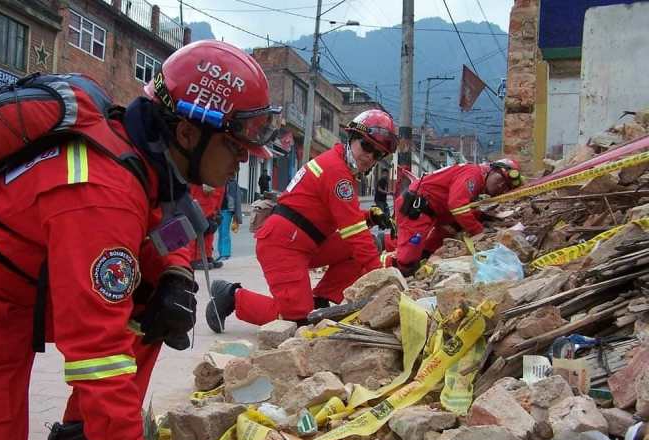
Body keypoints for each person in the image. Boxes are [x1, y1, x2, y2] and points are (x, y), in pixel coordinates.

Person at [0, 39, 280, 440]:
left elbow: (168, 224)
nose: (244, 160)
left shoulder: (146, 156)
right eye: (237, 146)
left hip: (33, 287)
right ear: (186, 131)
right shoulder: (101, 194)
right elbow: (95, 350)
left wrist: (176, 275)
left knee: (164, 303)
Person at [205, 109, 398, 332]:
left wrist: (370, 218)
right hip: (282, 245)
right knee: (298, 322)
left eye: (377, 154)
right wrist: (383, 278)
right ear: (352, 138)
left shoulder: (339, 166)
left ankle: (321, 301)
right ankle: (231, 296)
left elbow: (338, 220)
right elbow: (354, 233)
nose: (370, 156)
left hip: (302, 241)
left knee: (362, 248)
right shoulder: (338, 173)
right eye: (367, 146)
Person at [383, 158, 521, 274]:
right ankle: (379, 265)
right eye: (501, 178)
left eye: (505, 187)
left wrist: (481, 216)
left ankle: (392, 244)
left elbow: (459, 206)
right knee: (406, 263)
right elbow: (457, 206)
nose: (501, 185)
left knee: (445, 234)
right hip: (418, 208)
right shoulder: (474, 174)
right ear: (492, 169)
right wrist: (479, 231)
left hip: (433, 210)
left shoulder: (474, 177)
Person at [189, 183, 226, 270]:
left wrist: (217, 211)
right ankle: (194, 259)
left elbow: (219, 197)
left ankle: (206, 257)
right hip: (199, 205)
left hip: (210, 207)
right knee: (197, 233)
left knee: (209, 233)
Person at [216, 177, 242, 260]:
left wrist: (236, 214)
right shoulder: (219, 181)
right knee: (220, 232)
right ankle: (221, 253)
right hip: (219, 210)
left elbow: (237, 199)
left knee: (224, 232)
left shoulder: (232, 183)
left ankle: (225, 254)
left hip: (227, 210)